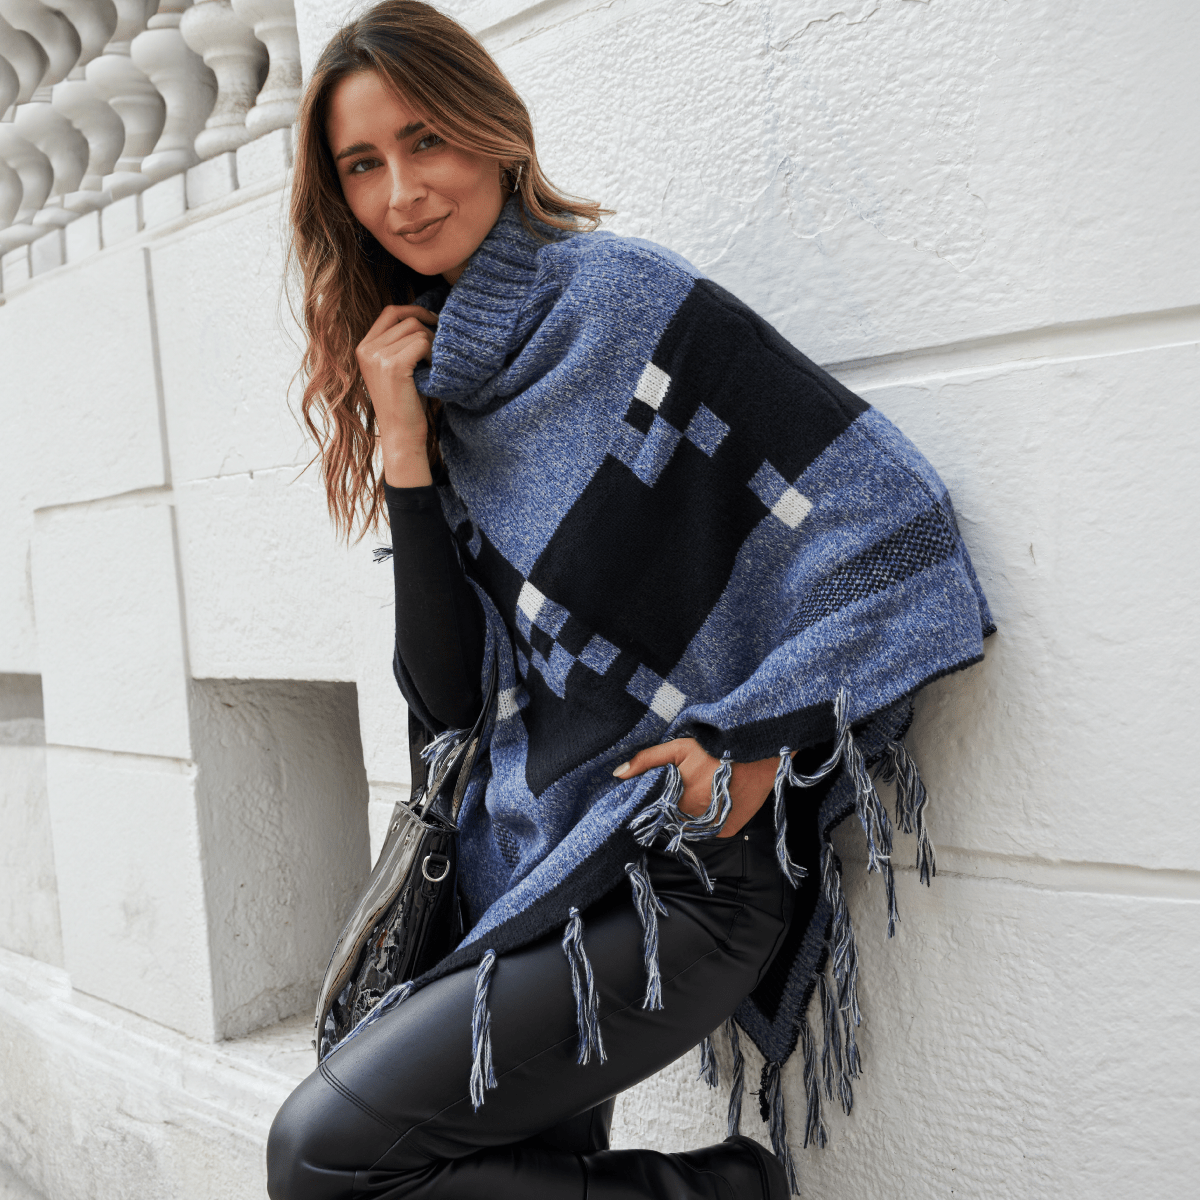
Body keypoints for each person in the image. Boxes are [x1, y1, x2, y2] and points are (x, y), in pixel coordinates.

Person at [268, 3, 994, 1198]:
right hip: (535, 875)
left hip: (682, 881)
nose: (402, 191)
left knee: (321, 1157)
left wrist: (752, 733)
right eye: (362, 164)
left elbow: (896, 528)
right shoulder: (438, 387)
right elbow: (449, 701)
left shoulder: (622, 302)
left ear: (496, 133)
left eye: (425, 138)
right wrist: (402, 448)